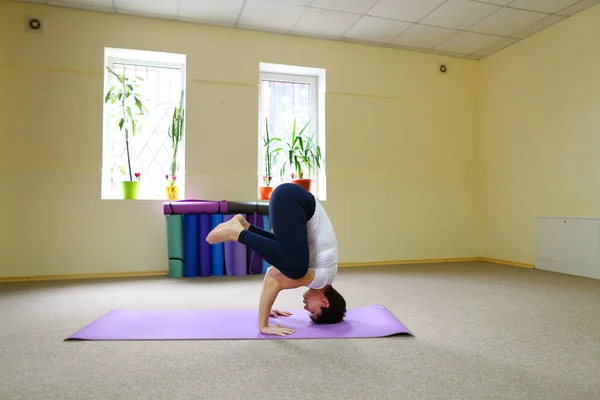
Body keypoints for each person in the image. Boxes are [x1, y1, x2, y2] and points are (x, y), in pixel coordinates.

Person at [206, 182, 346, 337]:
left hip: (289, 198)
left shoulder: (324, 273)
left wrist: (267, 307)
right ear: (324, 302)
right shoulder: (321, 279)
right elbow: (274, 281)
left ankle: (245, 227)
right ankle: (237, 233)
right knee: (296, 269)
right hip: (292, 201)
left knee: (289, 260)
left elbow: (272, 273)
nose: (306, 309)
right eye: (313, 311)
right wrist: (263, 326)